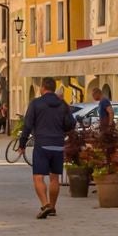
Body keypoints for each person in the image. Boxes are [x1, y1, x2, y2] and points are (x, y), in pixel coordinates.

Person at [20, 77, 74, 219]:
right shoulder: (63, 104)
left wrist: (22, 144)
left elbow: (27, 124)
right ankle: (53, 207)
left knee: (38, 177)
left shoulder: (36, 103)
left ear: (42, 88)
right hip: (58, 144)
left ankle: (45, 205)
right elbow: (71, 124)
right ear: (54, 88)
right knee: (54, 178)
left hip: (42, 144)